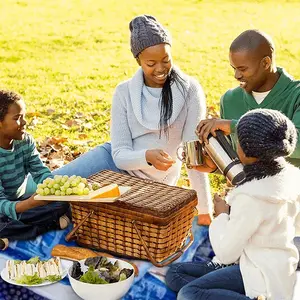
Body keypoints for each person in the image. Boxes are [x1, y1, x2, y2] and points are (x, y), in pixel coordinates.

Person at [50, 15, 214, 225]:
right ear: (138, 60)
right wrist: (146, 156)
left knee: (79, 209)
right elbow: (119, 155)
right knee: (48, 189)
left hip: (149, 185)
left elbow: (193, 155)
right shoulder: (124, 92)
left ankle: (60, 216)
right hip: (112, 163)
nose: (161, 69)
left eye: (166, 59)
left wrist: (204, 210)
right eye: (151, 63)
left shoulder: (190, 90)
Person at [166, 108, 300, 300]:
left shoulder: (251, 197)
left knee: (189, 293)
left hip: (259, 274)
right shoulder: (292, 177)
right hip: (275, 267)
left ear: (245, 150)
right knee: (175, 273)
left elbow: (226, 252)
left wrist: (222, 215)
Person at [197, 29, 300, 167]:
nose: (237, 75)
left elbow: (297, 144)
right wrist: (212, 166)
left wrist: (234, 126)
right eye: (234, 68)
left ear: (265, 63)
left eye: (243, 69)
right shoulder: (230, 100)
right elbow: (236, 162)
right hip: (249, 187)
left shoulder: (296, 95)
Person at [0, 90, 70, 244]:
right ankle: (45, 225)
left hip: (20, 201)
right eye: (17, 118)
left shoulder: (25, 141)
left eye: (24, 116)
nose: (24, 122)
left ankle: (12, 234)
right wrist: (29, 204)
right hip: (4, 208)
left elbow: (40, 172)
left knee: (65, 203)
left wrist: (54, 189)